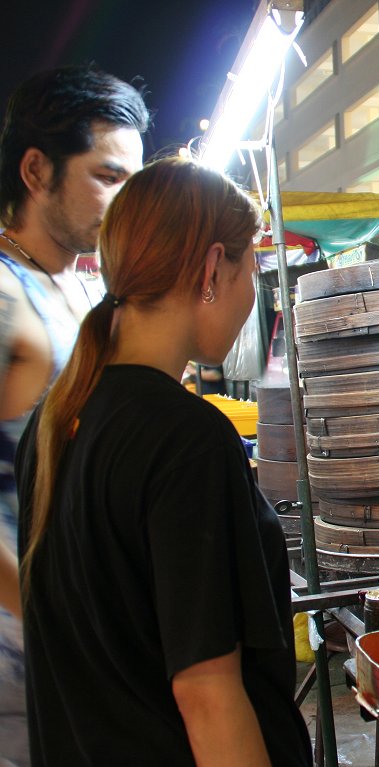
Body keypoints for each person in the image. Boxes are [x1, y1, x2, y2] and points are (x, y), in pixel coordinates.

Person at [15, 158, 312, 766]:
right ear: (211, 269)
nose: (250, 289)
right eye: (250, 267)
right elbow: (207, 695)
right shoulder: (187, 442)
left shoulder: (53, 425)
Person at [0, 65, 148, 766]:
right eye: (108, 176)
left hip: (77, 628)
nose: (125, 201)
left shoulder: (80, 285)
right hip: (20, 650)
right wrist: (48, 617)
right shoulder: (4, 298)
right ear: (36, 169)